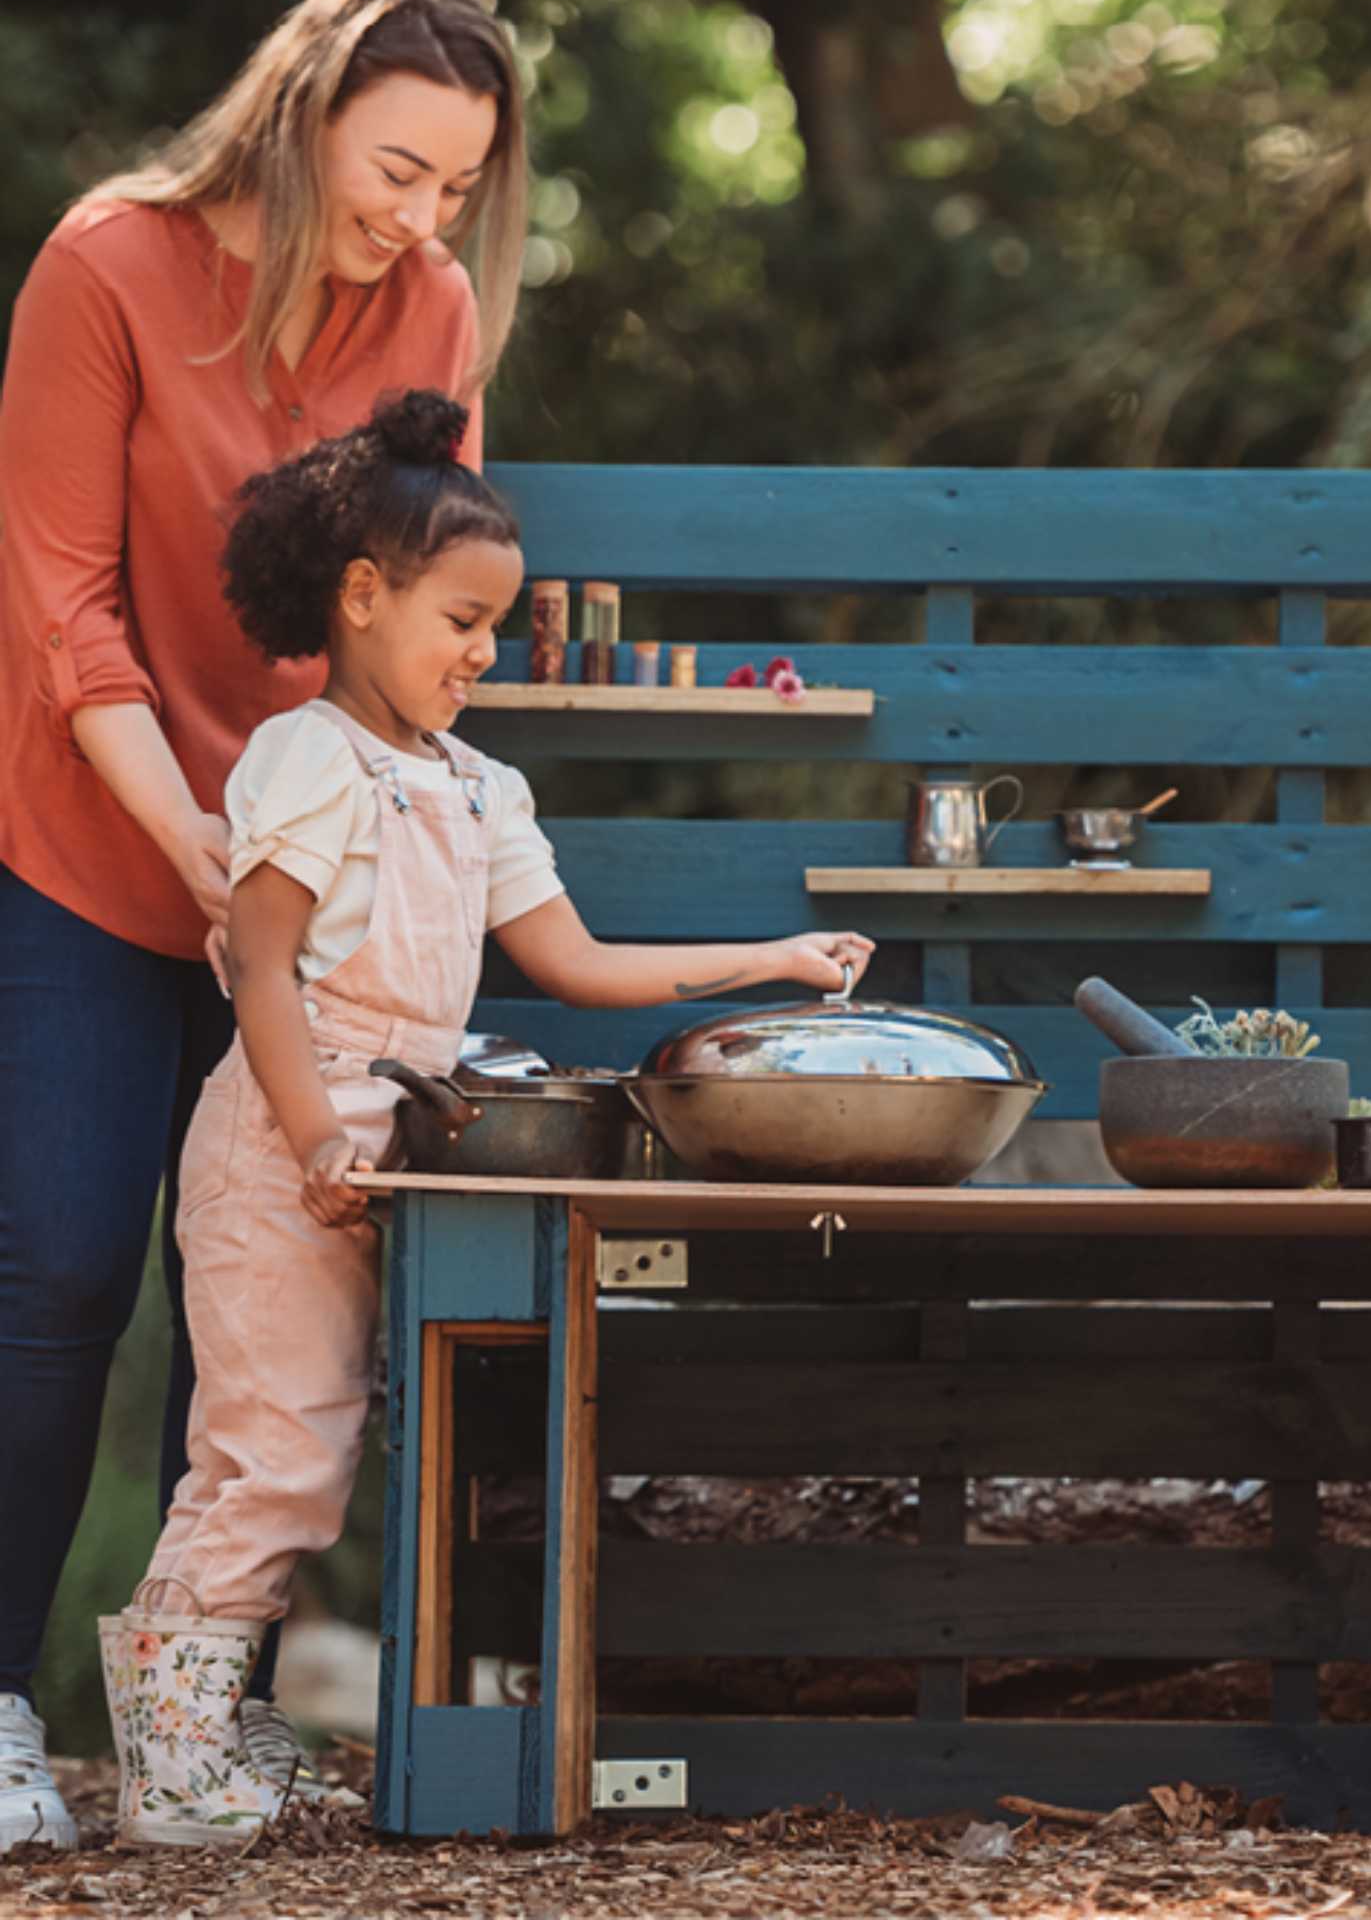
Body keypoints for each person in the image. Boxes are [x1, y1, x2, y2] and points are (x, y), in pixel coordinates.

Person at [96, 390, 877, 1848]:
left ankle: (223, 1740)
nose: (481, 654)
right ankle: (174, 1763)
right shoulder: (306, 759)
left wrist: (774, 956)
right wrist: (313, 1133)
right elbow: (260, 964)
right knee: (274, 1451)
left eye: (498, 629)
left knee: (325, 1445)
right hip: (286, 1140)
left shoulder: (480, 787)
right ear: (361, 595)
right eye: (461, 619)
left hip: (405, 1139)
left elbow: (572, 961)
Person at [0, 0, 530, 1850]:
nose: (423, 219)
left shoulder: (434, 308)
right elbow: (61, 602)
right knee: (57, 1270)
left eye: (459, 187)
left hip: (293, 861)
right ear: (305, 115)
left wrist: (342, 843)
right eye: (399, 169)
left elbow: (406, 612)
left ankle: (182, 1735)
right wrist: (193, 845)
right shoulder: (111, 264)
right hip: (92, 834)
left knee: (254, 1318)